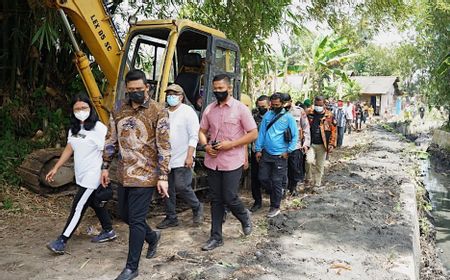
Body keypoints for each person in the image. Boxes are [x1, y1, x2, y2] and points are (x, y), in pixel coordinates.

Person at [101, 69, 170, 280]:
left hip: (147, 174)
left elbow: (164, 145)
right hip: (123, 173)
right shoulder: (119, 108)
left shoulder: (159, 111)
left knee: (137, 219)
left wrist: (163, 176)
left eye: (139, 89)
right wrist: (104, 166)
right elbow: (111, 138)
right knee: (125, 215)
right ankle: (152, 237)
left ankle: (132, 267)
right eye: (131, 90)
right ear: (126, 89)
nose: (135, 93)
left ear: (147, 87)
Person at [46, 94, 116, 255]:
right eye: (77, 109)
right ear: (72, 111)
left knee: (78, 207)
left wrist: (104, 172)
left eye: (84, 108)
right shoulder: (74, 128)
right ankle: (108, 230)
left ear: (90, 108)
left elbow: (108, 151)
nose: (80, 111)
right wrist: (56, 167)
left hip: (93, 176)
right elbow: (70, 148)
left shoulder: (99, 128)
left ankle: (62, 240)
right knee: (93, 203)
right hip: (81, 174)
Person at [198, 74, 257, 251]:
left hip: (232, 160)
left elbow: (253, 133)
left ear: (229, 89)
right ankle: (216, 237)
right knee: (215, 199)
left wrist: (231, 144)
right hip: (212, 160)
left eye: (221, 89)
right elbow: (201, 131)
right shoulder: (209, 109)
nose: (217, 92)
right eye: (215, 89)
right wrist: (206, 146)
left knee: (230, 196)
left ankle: (244, 216)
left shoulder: (240, 109)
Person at [156, 84, 203, 229]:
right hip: (166, 158)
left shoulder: (188, 112)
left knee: (181, 186)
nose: (171, 96)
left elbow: (193, 136)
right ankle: (171, 217)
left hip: (183, 156)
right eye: (169, 94)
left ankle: (196, 206)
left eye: (174, 94)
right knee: (167, 189)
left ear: (181, 97)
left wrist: (190, 155)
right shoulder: (163, 112)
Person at [255, 93, 299, 218]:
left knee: (276, 180)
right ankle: (277, 192)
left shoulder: (288, 117)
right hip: (266, 153)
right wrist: (258, 149)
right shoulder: (268, 115)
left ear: (283, 104)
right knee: (262, 178)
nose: (275, 107)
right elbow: (262, 132)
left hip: (280, 155)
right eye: (273, 105)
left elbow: (295, 135)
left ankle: (275, 206)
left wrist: (288, 151)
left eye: (277, 105)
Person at [305, 96, 337, 192]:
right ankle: (308, 179)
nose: (318, 106)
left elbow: (334, 131)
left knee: (320, 165)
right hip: (310, 143)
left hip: (323, 144)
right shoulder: (309, 113)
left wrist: (331, 144)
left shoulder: (329, 116)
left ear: (324, 104)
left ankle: (317, 184)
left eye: (320, 105)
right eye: (316, 104)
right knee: (308, 161)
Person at [281, 93, 310, 196]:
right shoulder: (278, 111)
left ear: (290, 101)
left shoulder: (299, 111)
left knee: (294, 168)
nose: (284, 105)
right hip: (281, 146)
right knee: (282, 169)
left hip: (296, 145)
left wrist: (306, 143)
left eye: (286, 103)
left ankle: (293, 187)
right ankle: (283, 189)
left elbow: (306, 127)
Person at [249, 95, 270, 212]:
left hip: (269, 151)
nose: (261, 108)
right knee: (255, 177)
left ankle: (274, 196)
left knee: (266, 177)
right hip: (255, 150)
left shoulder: (273, 117)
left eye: (263, 106)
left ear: (269, 105)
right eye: (259, 106)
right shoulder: (253, 117)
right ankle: (257, 201)